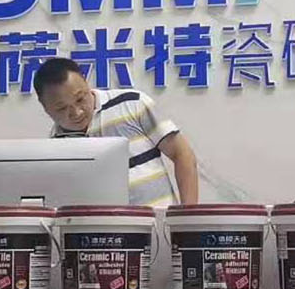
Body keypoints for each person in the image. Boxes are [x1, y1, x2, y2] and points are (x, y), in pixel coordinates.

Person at [32, 57, 199, 206]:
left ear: (85, 81)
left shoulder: (131, 103)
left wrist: (187, 218)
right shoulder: (56, 144)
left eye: (80, 99)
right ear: (45, 107)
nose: (77, 112)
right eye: (62, 108)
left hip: (158, 223)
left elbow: (182, 154)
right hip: (100, 228)